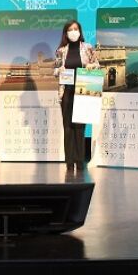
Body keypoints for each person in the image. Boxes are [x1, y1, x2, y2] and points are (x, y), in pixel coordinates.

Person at [53, 20, 99, 172]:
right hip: (66, 92)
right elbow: (54, 71)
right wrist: (59, 70)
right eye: (70, 29)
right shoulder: (61, 50)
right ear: (66, 33)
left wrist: (91, 66)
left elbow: (97, 65)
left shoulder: (88, 48)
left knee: (79, 128)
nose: (73, 32)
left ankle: (79, 162)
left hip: (84, 90)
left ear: (80, 31)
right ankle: (69, 162)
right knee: (68, 128)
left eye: (76, 29)